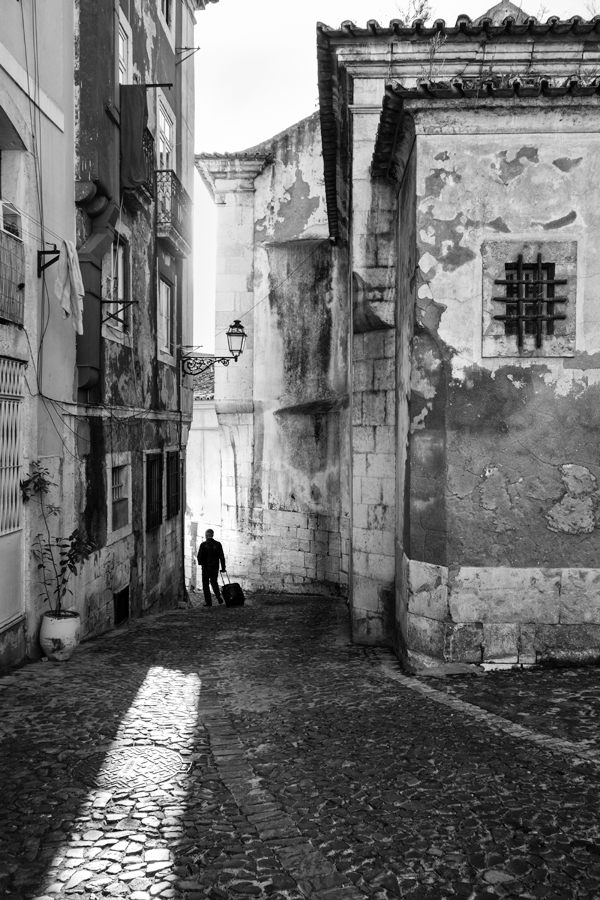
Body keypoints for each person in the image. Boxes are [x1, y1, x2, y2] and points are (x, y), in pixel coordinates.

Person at [197, 529, 226, 606]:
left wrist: (201, 563)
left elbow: (199, 556)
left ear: (206, 535)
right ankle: (218, 597)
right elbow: (222, 557)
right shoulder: (218, 544)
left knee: (205, 584)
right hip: (215, 567)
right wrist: (223, 568)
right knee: (214, 582)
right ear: (212, 535)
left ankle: (208, 602)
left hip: (206, 567)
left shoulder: (203, 545)